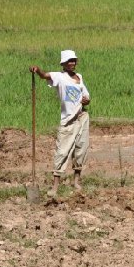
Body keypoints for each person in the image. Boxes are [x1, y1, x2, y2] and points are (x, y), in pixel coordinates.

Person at [29, 50, 91, 197]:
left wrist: (86, 100)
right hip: (68, 119)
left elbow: (86, 96)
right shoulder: (59, 76)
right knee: (62, 151)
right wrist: (37, 70)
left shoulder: (79, 77)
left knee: (81, 149)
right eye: (69, 61)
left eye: (74, 60)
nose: (72, 63)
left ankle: (76, 181)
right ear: (63, 63)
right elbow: (45, 75)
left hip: (82, 117)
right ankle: (55, 187)